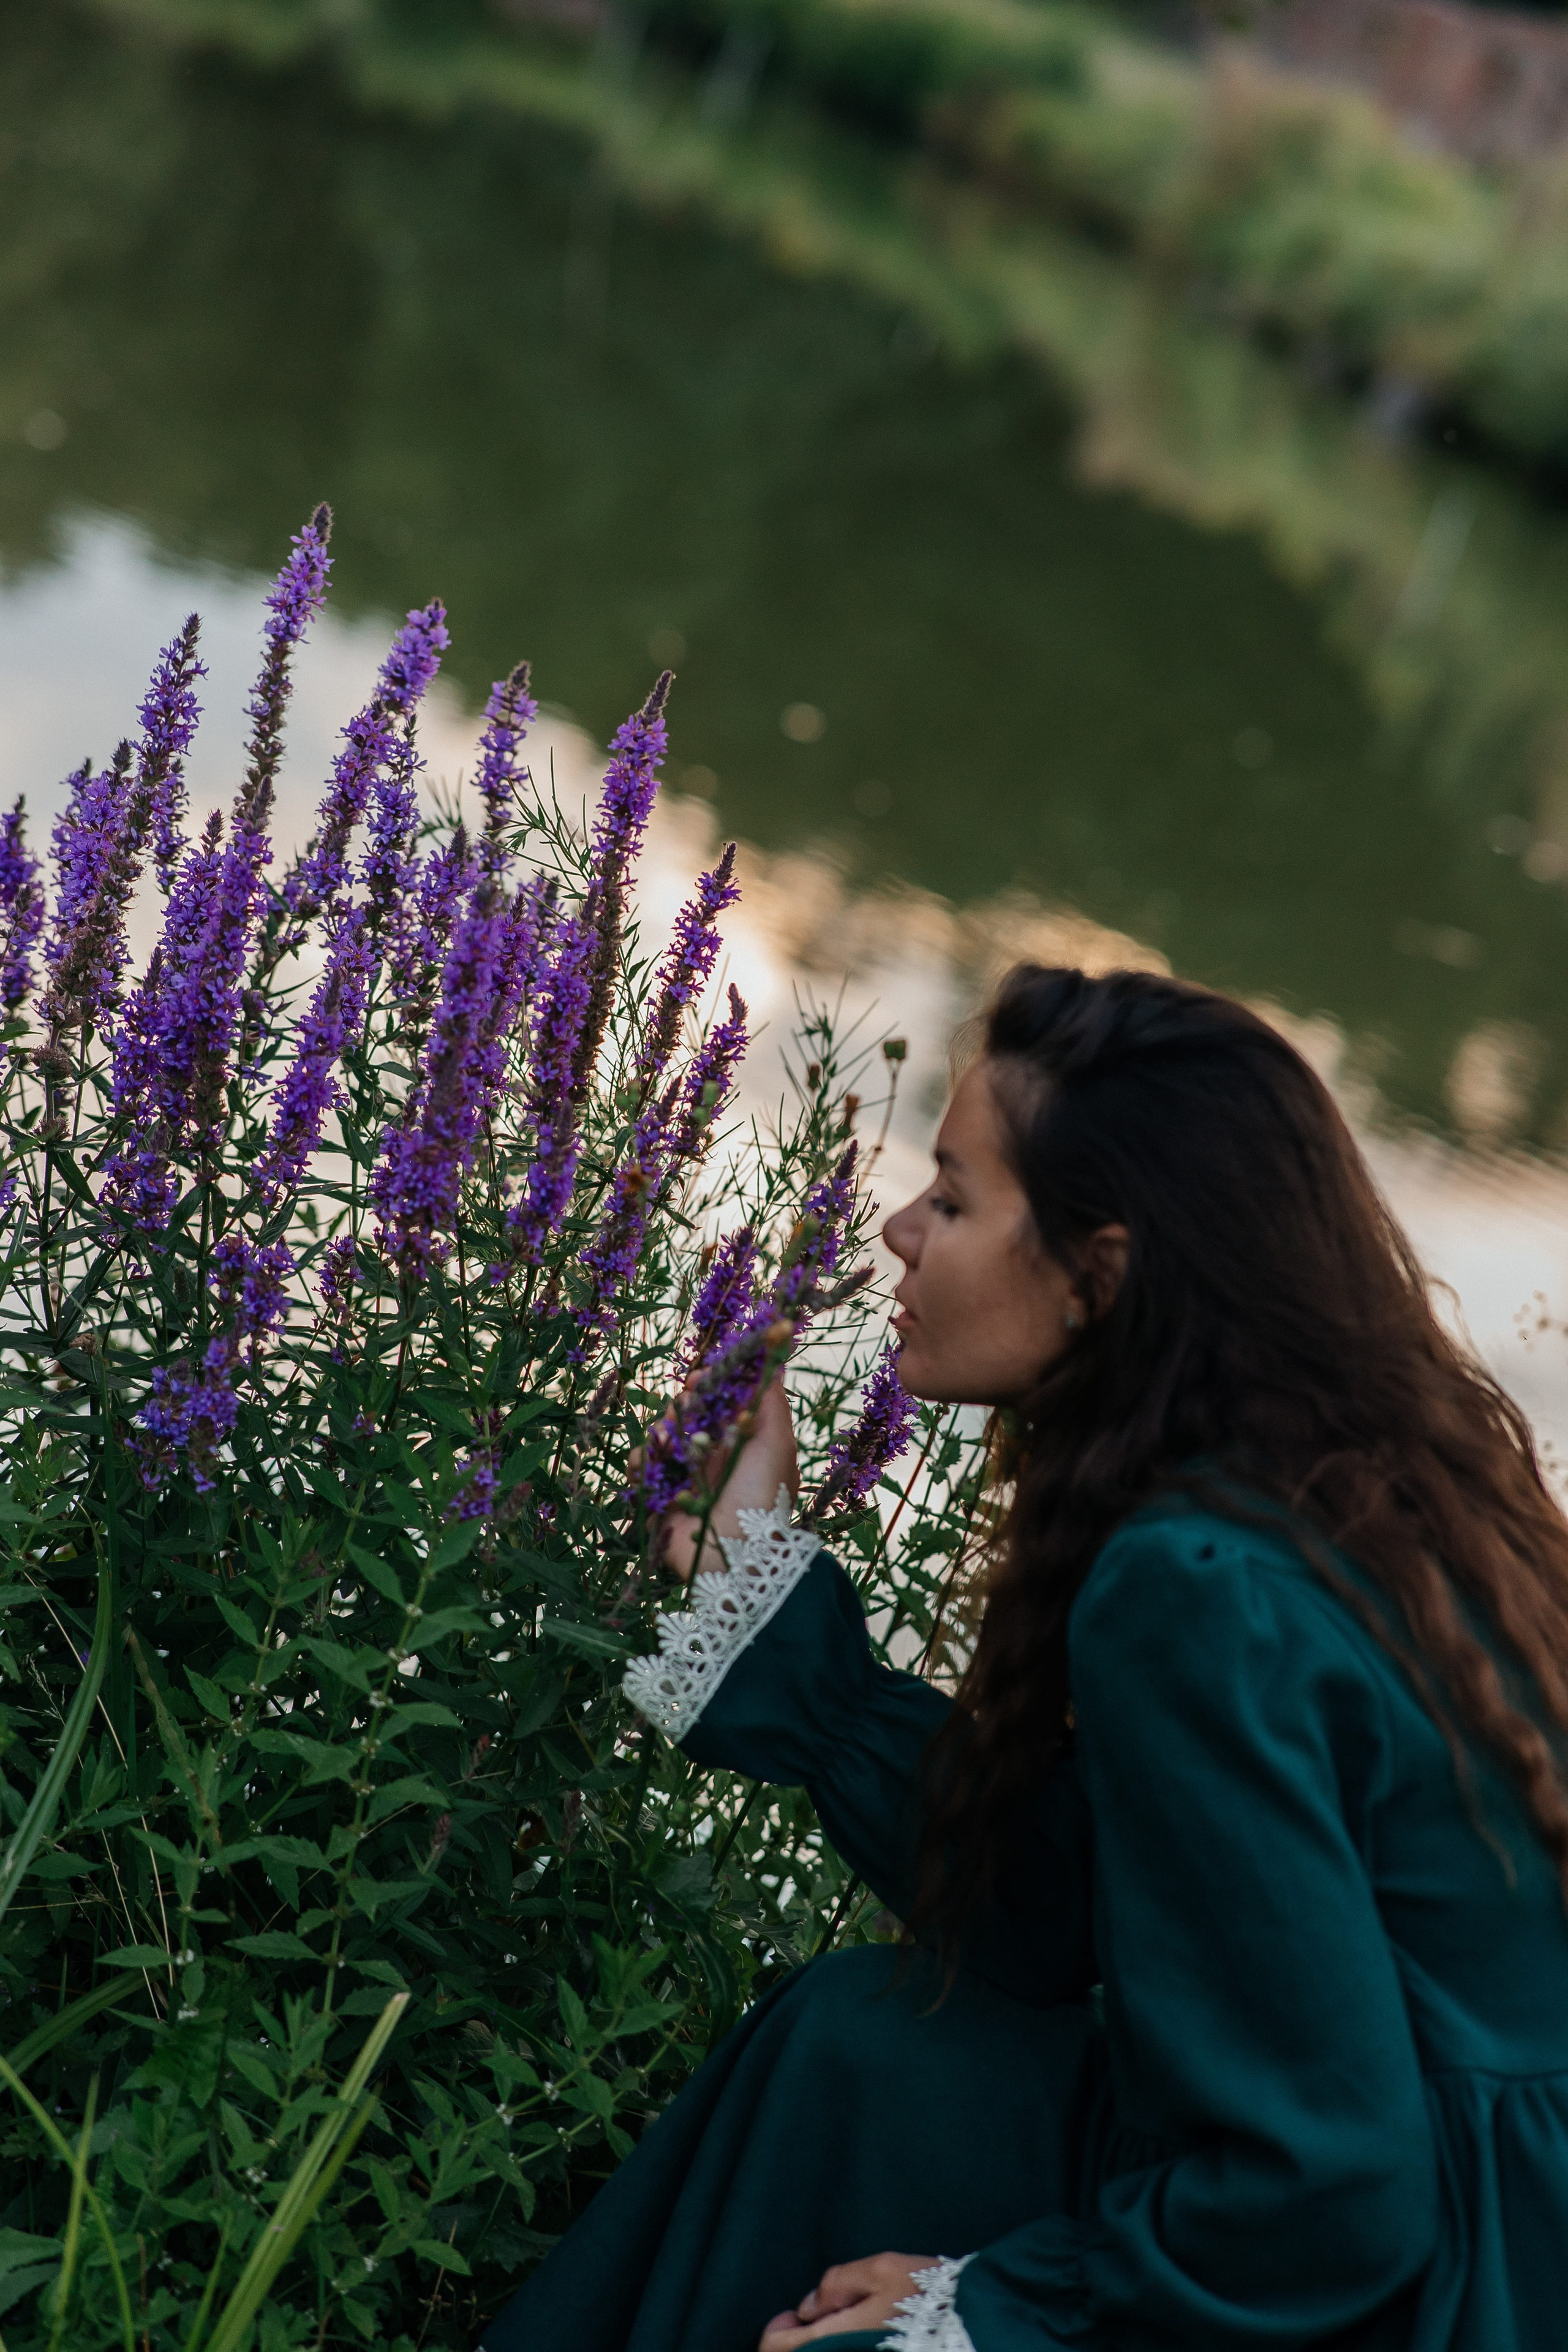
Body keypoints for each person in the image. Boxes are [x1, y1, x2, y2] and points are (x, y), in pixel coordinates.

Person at [481, 964, 1568, 2352]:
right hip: (1442, 2193)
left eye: (949, 1198)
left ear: (1098, 1274)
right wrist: (752, 1585)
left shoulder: (1199, 1586)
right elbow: (1056, 1916)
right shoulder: (1324, 1483)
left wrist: (995, 2302)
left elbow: (1333, 2194)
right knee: (864, 2045)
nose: (893, 1229)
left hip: (1452, 2281)